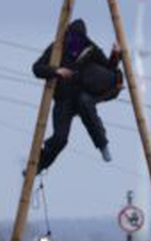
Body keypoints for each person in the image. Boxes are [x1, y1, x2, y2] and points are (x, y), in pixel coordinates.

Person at [32, 19, 121, 171]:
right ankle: (38, 165)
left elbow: (108, 67)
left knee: (86, 105)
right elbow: (36, 68)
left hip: (82, 94)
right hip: (63, 100)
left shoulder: (90, 48)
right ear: (68, 35)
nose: (75, 42)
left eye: (79, 39)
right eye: (72, 37)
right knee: (60, 138)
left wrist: (115, 54)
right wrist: (56, 71)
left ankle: (102, 144)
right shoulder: (57, 48)